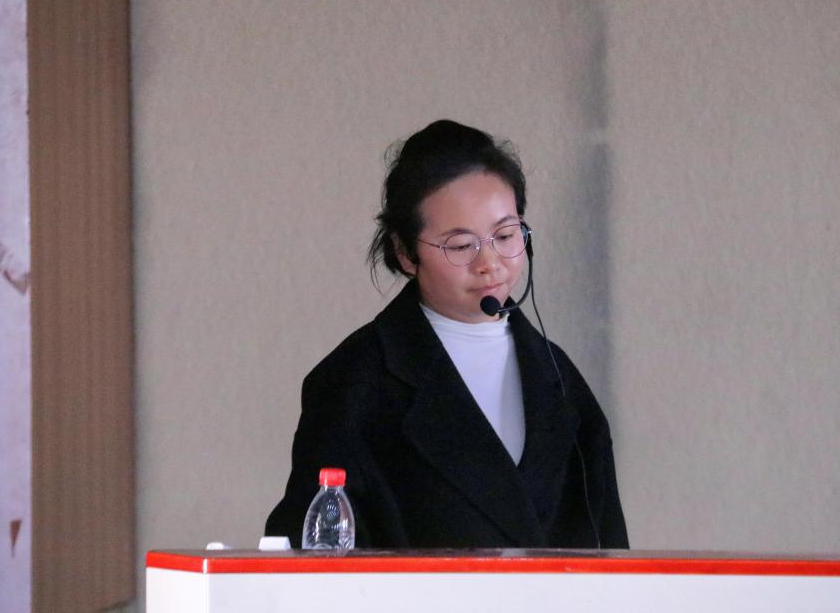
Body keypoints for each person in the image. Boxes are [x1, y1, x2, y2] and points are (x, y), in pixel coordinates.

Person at [265, 120, 628, 548]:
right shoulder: (354, 381)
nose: (489, 263)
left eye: (505, 235)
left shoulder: (559, 377)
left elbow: (609, 546)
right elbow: (313, 550)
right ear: (405, 252)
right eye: (460, 245)